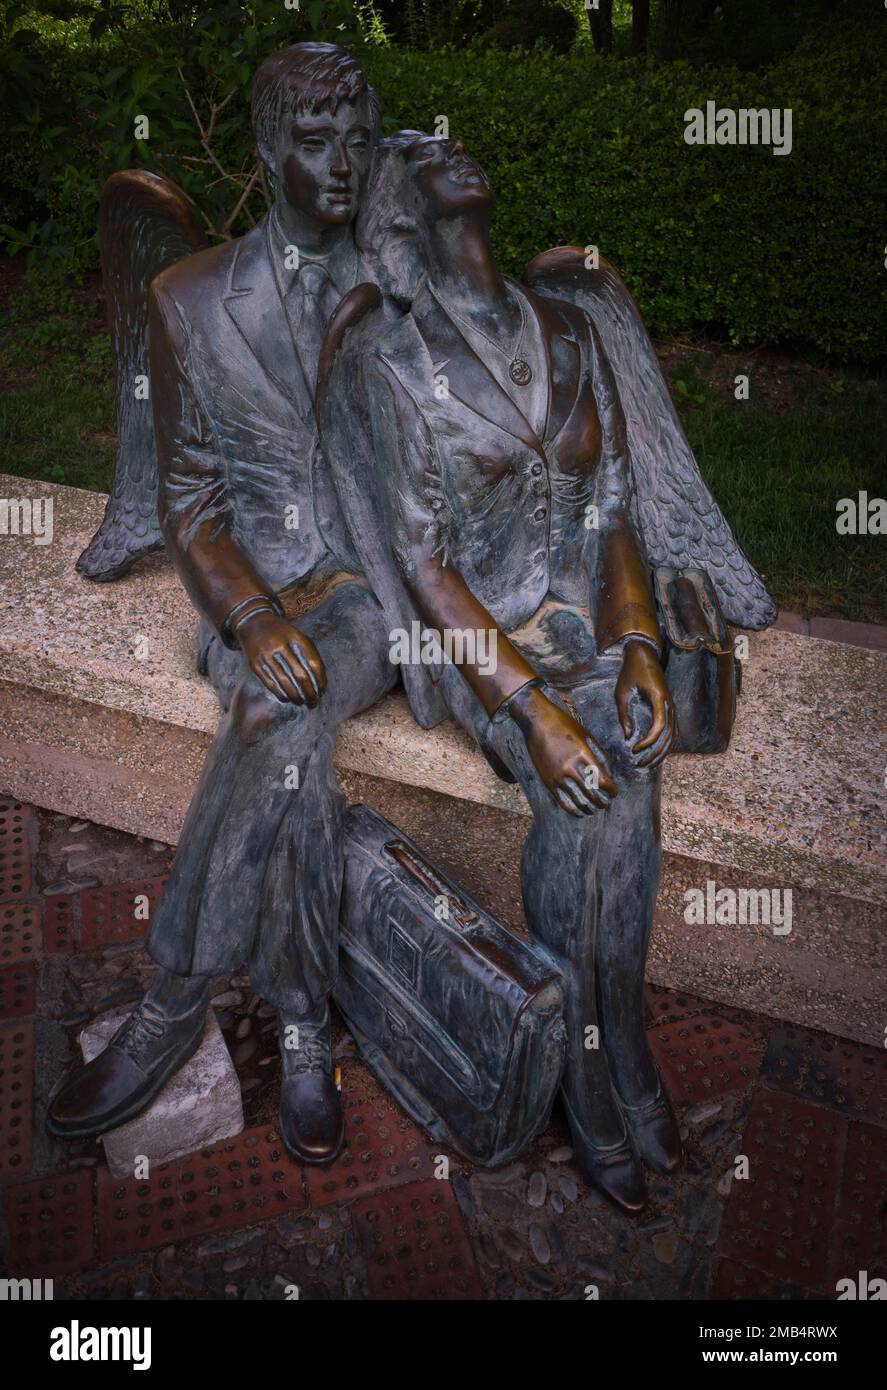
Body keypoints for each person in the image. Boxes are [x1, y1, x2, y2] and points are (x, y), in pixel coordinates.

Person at [47, 43, 401, 1166]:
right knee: (276, 711)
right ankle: (302, 1026)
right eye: (313, 141)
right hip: (251, 592)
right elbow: (188, 498)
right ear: (264, 152)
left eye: (357, 138)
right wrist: (249, 617)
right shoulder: (187, 296)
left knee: (266, 712)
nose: (342, 164)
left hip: (366, 595)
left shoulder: (403, 284)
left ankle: (174, 999)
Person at [318, 133, 684, 1212]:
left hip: (589, 624)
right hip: (482, 649)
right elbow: (422, 566)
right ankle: (602, 1059)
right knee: (587, 793)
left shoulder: (567, 327)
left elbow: (612, 507)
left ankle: (610, 1041)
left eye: (464, 147)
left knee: (631, 761)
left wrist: (639, 649)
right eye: (428, 155)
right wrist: (529, 716)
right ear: (404, 208)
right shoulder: (391, 363)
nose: (457, 152)